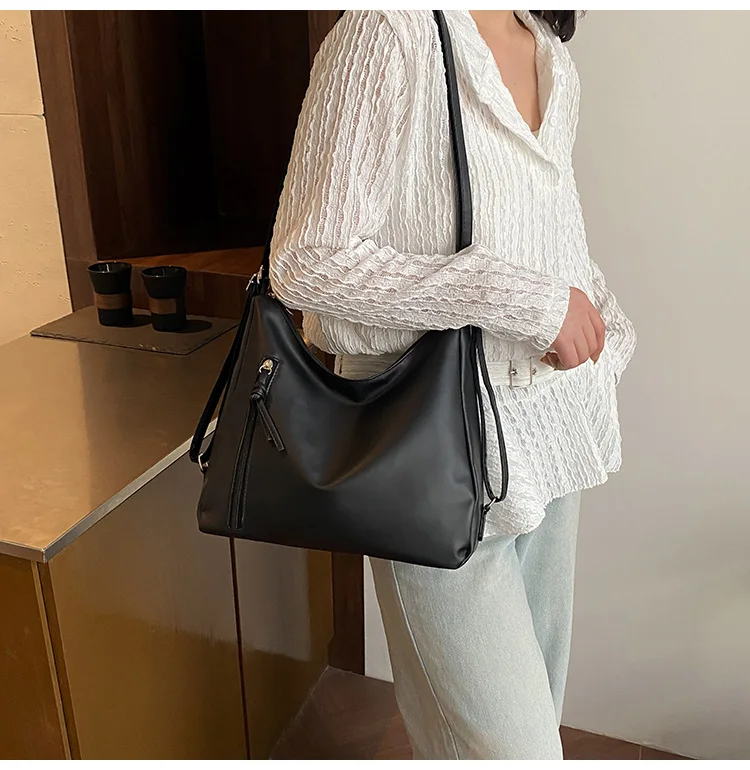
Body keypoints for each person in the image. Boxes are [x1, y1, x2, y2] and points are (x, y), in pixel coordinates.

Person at [269, 9, 636, 760]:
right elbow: (306, 262)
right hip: (431, 455)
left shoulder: (546, 48)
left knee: (525, 727)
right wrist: (524, 302)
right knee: (513, 752)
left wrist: (606, 323)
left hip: (548, 444)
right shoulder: (388, 31)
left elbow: (552, 243)